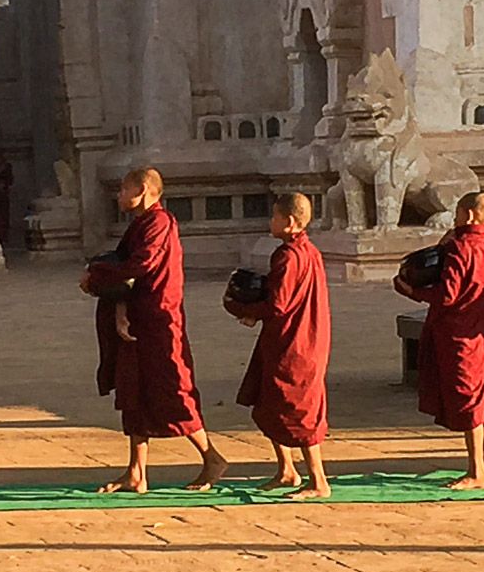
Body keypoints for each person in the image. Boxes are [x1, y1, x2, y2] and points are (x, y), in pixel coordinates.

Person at [83, 168, 227, 494]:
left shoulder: (160, 224)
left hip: (159, 320)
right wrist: (119, 306)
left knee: (173, 390)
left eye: (124, 188)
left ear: (145, 190)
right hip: (139, 318)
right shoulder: (139, 225)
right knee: (133, 392)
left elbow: (141, 265)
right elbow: (130, 275)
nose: (119, 195)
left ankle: (212, 457)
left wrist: (96, 276)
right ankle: (136, 472)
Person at [393, 192, 484, 490]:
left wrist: (411, 291)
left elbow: (447, 295)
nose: (454, 220)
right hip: (479, 330)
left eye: (457, 214)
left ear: (468, 216)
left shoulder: (460, 248)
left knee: (468, 401)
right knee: (480, 397)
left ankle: (476, 472)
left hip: (456, 333)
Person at [223, 193, 332, 499]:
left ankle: (319, 480)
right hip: (301, 337)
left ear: (290, 222)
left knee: (300, 409)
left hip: (295, 343)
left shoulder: (288, 256)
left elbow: (279, 304)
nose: (271, 222)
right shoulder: (311, 252)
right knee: (269, 402)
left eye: (275, 217)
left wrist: (246, 311)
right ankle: (286, 470)